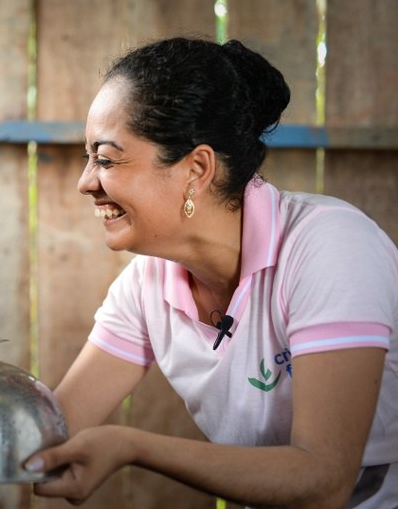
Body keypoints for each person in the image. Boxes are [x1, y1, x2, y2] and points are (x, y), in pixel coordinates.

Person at [25, 37, 398, 508]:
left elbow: (324, 480)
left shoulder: (330, 247)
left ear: (196, 168)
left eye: (105, 158)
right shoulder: (148, 282)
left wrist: (133, 446)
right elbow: (55, 428)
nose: (85, 182)